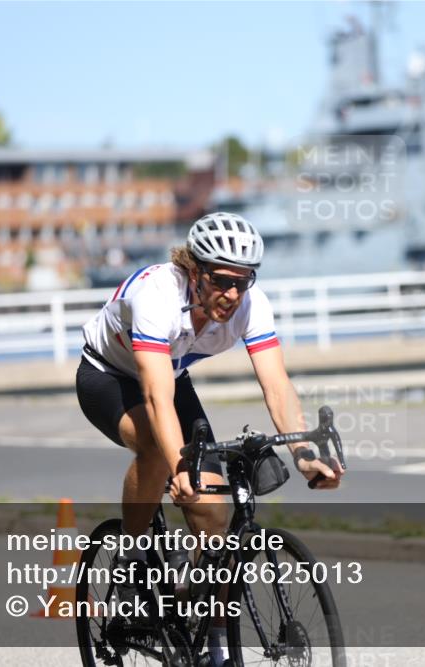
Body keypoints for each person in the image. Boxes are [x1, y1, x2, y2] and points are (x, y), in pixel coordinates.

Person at [77, 212, 343, 664]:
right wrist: (180, 466)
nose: (233, 294)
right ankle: (132, 560)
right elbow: (156, 397)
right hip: (108, 376)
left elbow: (276, 384)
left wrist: (303, 453)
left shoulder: (250, 304)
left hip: (172, 374)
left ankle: (211, 636)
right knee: (159, 454)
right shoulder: (158, 294)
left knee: (216, 512)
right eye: (222, 281)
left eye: (244, 281)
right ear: (195, 271)